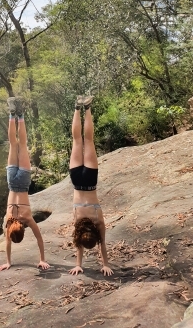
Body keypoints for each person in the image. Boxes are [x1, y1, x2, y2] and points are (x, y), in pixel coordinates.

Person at [0, 97, 50, 272]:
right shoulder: (8, 220)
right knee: (14, 144)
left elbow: (39, 239)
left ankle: (20, 115)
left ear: (22, 229)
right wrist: (8, 261)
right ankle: (12, 114)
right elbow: (7, 243)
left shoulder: (28, 218)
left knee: (22, 144)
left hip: (23, 182)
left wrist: (42, 259)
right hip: (12, 182)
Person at [68, 95, 113, 277]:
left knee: (88, 140)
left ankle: (86, 107)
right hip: (77, 181)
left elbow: (102, 243)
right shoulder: (78, 222)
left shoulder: (98, 221)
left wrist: (106, 263)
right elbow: (79, 243)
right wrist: (78, 264)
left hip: (91, 181)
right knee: (77, 140)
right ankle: (77, 107)